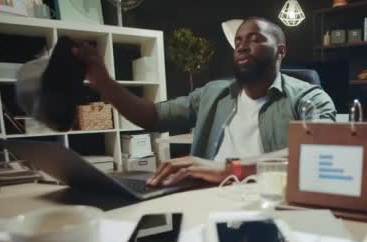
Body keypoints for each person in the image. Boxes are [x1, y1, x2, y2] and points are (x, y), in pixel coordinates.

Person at [73, 17, 336, 186]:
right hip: (204, 196)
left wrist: (227, 169)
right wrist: (104, 82)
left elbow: (317, 151)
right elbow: (153, 115)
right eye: (238, 41)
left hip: (269, 199)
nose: (242, 46)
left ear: (280, 51)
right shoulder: (213, 93)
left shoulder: (308, 97)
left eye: (256, 39)